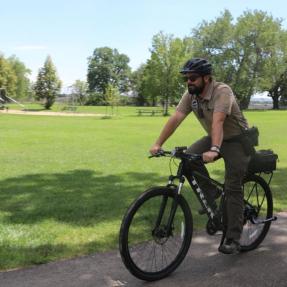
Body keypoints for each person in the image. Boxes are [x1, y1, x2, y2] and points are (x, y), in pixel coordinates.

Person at [150, 58, 251, 255]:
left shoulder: (223, 91)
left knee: (232, 187)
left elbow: (218, 121)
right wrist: (158, 143)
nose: (189, 82)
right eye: (186, 78)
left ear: (206, 78)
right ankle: (211, 193)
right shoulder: (191, 96)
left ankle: (233, 237)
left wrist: (214, 149)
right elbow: (176, 117)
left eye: (193, 78)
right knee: (189, 156)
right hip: (214, 137)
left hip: (237, 140)